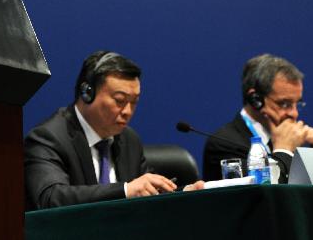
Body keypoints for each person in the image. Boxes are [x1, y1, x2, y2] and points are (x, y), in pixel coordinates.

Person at [24, 51, 203, 210]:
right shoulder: (48, 138)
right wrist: (125, 190)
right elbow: (50, 198)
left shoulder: (128, 139)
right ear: (87, 93)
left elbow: (148, 192)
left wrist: (184, 194)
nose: (127, 111)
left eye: (134, 102)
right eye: (119, 100)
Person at [202, 53, 313, 183]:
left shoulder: (295, 140)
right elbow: (263, 194)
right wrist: (283, 151)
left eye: (297, 104)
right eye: (284, 104)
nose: (294, 114)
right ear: (256, 99)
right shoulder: (223, 144)